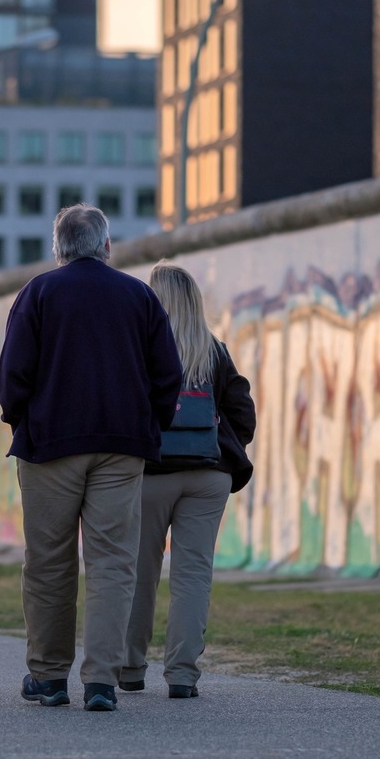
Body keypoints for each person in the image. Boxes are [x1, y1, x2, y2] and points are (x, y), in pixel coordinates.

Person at [0, 203, 182, 712]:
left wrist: (24, 421)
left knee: (49, 563)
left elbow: (12, 375)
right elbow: (168, 376)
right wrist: (149, 426)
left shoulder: (38, 293)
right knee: (113, 562)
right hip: (122, 447)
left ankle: (50, 677)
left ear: (58, 249)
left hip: (49, 446)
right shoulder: (138, 296)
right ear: (105, 246)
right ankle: (101, 680)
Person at [119, 260, 256, 700]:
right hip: (208, 475)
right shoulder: (213, 350)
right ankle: (182, 675)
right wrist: (222, 444)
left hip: (150, 475)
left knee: (138, 574)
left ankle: (131, 667)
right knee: (193, 575)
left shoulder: (137, 349)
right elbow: (242, 410)